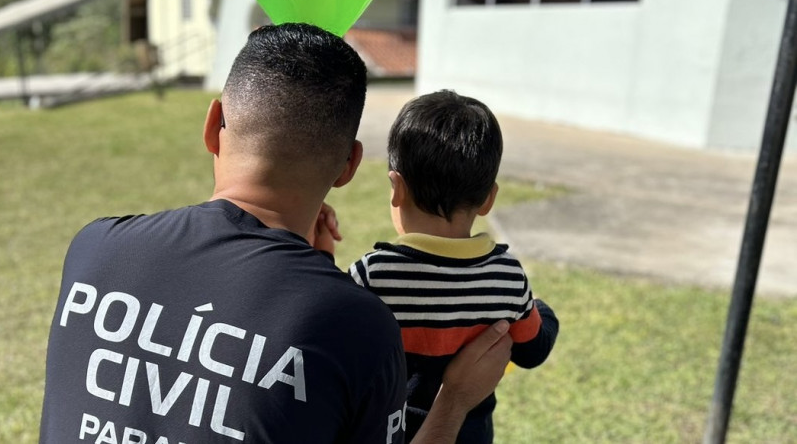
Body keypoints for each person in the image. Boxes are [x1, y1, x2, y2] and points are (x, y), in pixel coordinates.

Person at [39, 24, 513, 444]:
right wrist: (455, 401)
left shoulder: (95, 249)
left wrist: (317, 278)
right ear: (349, 165)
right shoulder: (359, 327)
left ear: (211, 126)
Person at [346, 90, 560, 443]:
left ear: (395, 188)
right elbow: (534, 350)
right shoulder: (506, 279)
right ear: (489, 198)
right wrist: (542, 311)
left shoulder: (371, 276)